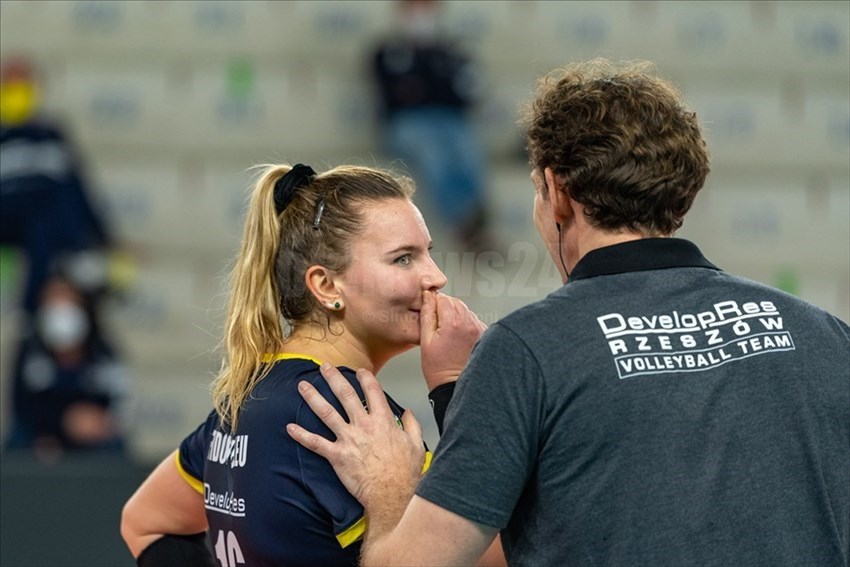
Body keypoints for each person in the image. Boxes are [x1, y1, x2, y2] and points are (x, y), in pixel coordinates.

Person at [287, 59, 850, 566]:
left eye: (536, 187)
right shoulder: (826, 334)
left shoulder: (526, 351)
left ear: (557, 193)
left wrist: (390, 488)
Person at [119, 163, 490, 566]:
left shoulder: (245, 396)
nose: (436, 278)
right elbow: (506, 552)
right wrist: (456, 383)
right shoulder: (348, 417)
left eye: (427, 254)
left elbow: (146, 523)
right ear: (327, 285)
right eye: (403, 259)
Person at [369, 0, 495, 253]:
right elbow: (395, 95)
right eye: (414, 10)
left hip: (450, 119)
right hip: (408, 123)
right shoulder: (387, 51)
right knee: (433, 153)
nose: (420, 17)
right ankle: (463, 225)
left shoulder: (451, 51)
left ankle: (477, 219)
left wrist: (423, 84)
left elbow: (467, 93)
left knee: (466, 150)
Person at [0, 55, 115, 317]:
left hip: (38, 223)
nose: (16, 93)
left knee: (46, 216)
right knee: (43, 205)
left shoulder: (51, 135)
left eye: (22, 86)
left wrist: (106, 238)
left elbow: (78, 188)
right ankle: (78, 258)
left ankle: (40, 304)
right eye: (10, 86)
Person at [5, 270, 128, 460]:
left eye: (68, 299)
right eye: (53, 301)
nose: (61, 309)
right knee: (16, 442)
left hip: (91, 435)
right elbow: (21, 406)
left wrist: (98, 421)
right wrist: (58, 426)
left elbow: (118, 399)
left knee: (115, 446)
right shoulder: (30, 349)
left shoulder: (103, 351)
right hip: (41, 433)